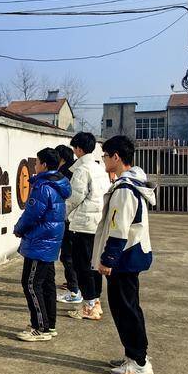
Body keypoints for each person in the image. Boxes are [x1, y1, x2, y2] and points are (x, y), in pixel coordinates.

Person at [94, 135, 156, 374]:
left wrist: (108, 259)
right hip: (130, 254)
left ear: (116, 157)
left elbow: (118, 229)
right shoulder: (133, 182)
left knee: (125, 309)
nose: (104, 160)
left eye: (105, 156)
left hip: (124, 257)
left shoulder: (124, 189)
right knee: (128, 307)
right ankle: (135, 355)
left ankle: (138, 361)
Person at [12, 147, 72, 342]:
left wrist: (18, 229)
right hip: (49, 242)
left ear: (44, 165)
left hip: (40, 242)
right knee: (46, 284)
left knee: (31, 284)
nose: (35, 166)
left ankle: (40, 327)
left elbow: (31, 214)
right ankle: (49, 325)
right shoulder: (57, 184)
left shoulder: (43, 186)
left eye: (37, 162)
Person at [64, 132, 111, 322]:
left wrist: (64, 214)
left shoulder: (82, 170)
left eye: (74, 148)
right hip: (97, 224)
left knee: (82, 266)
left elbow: (74, 198)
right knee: (93, 265)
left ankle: (89, 306)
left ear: (79, 149)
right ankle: (95, 303)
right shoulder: (100, 168)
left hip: (83, 225)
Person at [54, 144, 81, 303]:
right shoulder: (76, 170)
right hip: (77, 220)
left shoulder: (63, 173)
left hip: (68, 219)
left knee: (67, 255)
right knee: (73, 255)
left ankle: (74, 290)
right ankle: (74, 283)